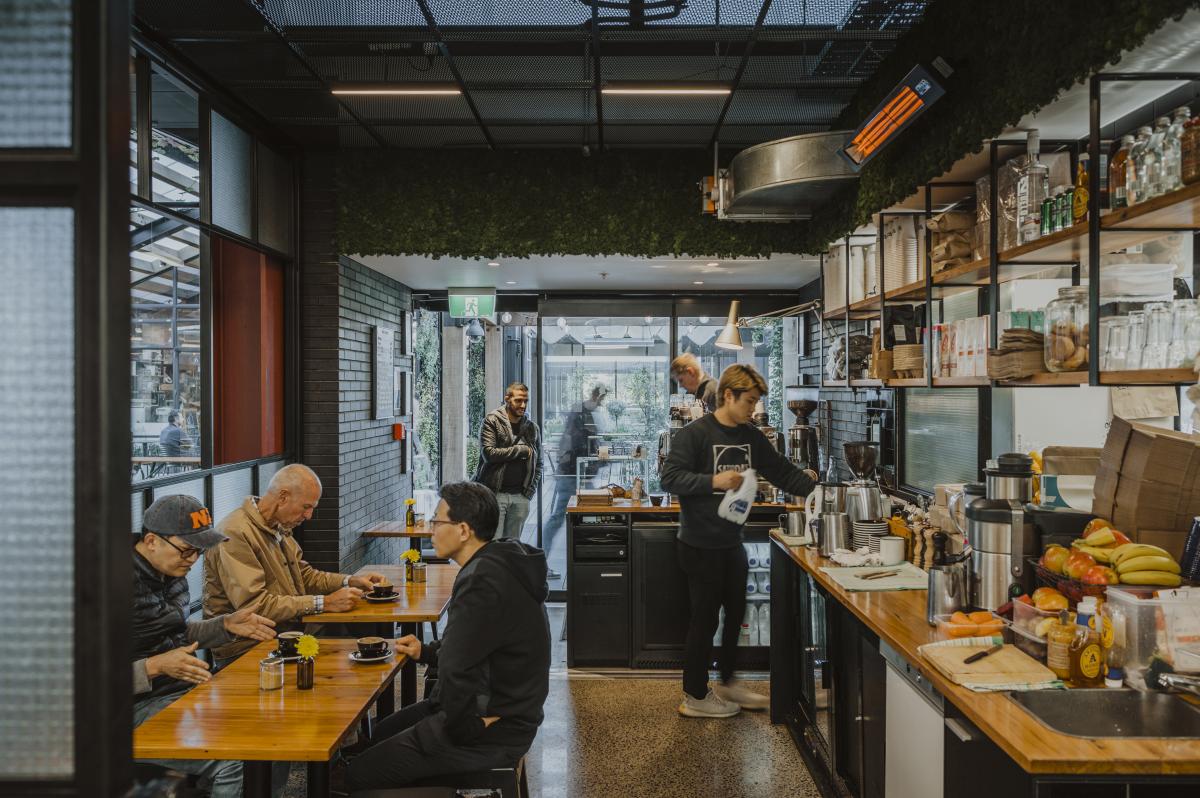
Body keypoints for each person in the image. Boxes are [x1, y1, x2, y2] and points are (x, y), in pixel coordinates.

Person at [345, 482, 550, 791]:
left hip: (493, 727)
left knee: (355, 776)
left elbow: (456, 669)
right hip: (504, 711)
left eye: (437, 521)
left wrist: (467, 729)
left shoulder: (481, 581)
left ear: (463, 530)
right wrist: (426, 653)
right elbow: (473, 646)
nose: (431, 529)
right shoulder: (501, 562)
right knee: (377, 736)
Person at [661, 364, 818, 718]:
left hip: (732, 542)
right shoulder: (695, 434)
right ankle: (694, 696)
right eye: (749, 401)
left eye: (756, 401)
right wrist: (713, 481)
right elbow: (669, 478)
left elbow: (782, 472)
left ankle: (728, 683)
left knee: (735, 615)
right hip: (699, 545)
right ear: (728, 395)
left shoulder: (751, 436)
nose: (753, 408)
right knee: (705, 621)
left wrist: (821, 491)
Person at [132, 494, 277, 797]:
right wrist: (154, 666)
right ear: (151, 541)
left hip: (179, 693)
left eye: (198, 551)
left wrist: (225, 625)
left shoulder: (169, 573)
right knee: (236, 758)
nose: (192, 560)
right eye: (186, 550)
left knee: (275, 728)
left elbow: (174, 633)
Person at [202, 463, 386, 664]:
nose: (309, 516)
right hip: (247, 646)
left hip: (286, 634)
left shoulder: (277, 526)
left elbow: (304, 576)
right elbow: (255, 606)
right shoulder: (234, 533)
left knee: (358, 652)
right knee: (349, 661)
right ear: (283, 497)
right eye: (306, 507)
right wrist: (324, 603)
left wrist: (350, 581)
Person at [543, 384, 608, 579]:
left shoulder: (584, 412)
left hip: (578, 473)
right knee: (560, 517)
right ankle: (543, 564)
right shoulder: (581, 412)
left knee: (585, 515)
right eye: (601, 398)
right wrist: (597, 454)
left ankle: (587, 562)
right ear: (596, 396)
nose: (601, 402)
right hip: (572, 474)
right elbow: (580, 442)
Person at [474, 382, 542, 541]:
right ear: (507, 399)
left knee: (512, 546)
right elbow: (489, 454)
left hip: (521, 496)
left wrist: (529, 492)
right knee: (493, 544)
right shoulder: (492, 421)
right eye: (518, 400)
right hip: (495, 494)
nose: (523, 405)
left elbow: (539, 463)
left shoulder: (532, 428)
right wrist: (520, 450)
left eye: (525, 401)